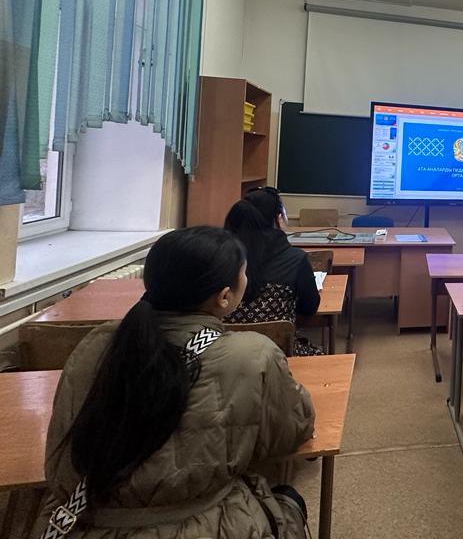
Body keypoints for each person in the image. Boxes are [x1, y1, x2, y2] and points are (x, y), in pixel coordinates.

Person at [41, 226, 316, 538]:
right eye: (244, 274)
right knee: (286, 498)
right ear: (225, 297)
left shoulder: (96, 343)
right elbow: (290, 432)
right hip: (204, 524)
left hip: (80, 521)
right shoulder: (252, 354)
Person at [223, 186, 321, 339]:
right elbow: (309, 308)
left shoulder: (219, 257)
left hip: (221, 347)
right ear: (278, 218)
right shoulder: (296, 259)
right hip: (278, 348)